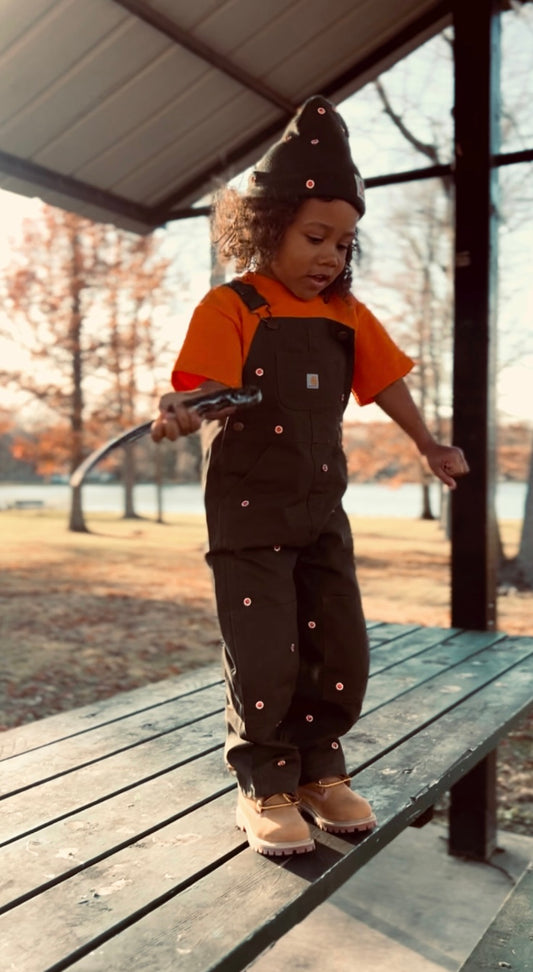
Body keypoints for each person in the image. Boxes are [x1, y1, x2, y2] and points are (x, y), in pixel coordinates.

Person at [151, 95, 469, 857]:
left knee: (339, 644)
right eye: (315, 236)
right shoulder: (232, 307)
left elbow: (386, 379)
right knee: (264, 651)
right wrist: (181, 411)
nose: (330, 254)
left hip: (322, 509)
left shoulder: (344, 312)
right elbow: (200, 391)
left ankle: (320, 768)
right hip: (249, 511)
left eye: (343, 241)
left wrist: (428, 444)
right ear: (266, 230)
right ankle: (263, 781)